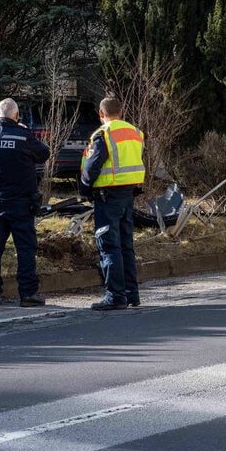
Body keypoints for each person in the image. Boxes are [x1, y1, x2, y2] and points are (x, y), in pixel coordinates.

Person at [0, 97, 50, 307]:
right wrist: (24, 131)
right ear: (16, 116)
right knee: (25, 248)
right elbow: (44, 153)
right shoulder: (24, 136)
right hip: (21, 203)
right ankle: (27, 294)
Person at [79, 97, 145, 310]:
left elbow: (91, 168)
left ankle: (115, 296)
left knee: (108, 245)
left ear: (101, 113)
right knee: (126, 244)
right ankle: (131, 293)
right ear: (121, 111)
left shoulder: (103, 135)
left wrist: (84, 190)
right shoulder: (135, 132)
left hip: (108, 197)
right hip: (127, 195)